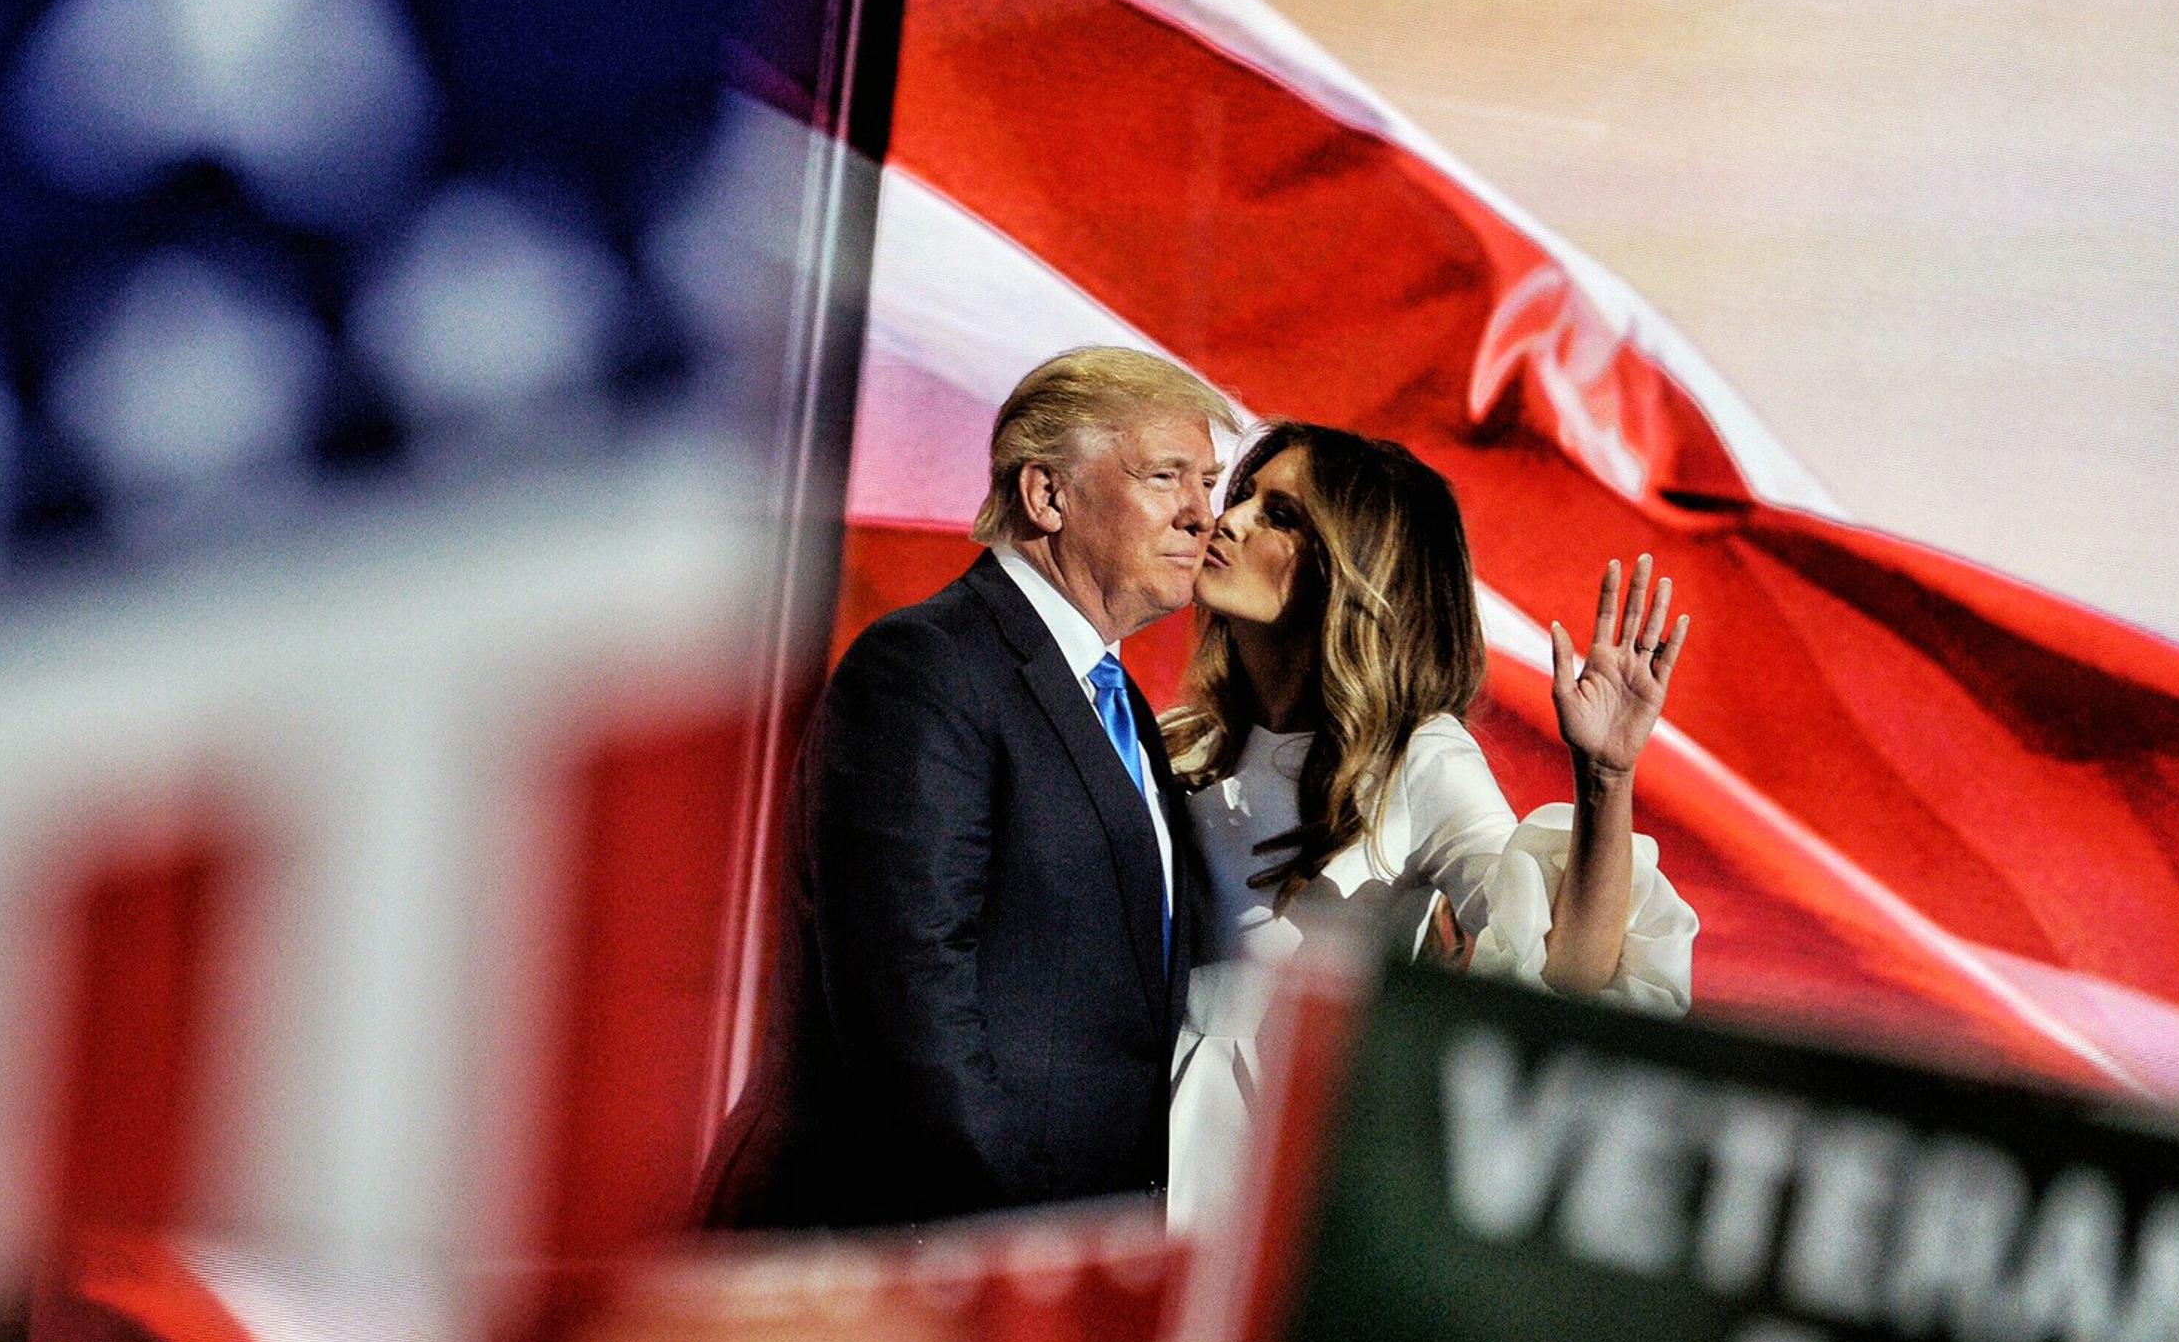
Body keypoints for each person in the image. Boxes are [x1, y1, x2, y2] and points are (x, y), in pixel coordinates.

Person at [718, 347, 1238, 1229]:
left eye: (1210, 482)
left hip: (1049, 1254)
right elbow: (911, 1002)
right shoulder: (927, 667)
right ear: (1047, 496)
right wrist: (1018, 1235)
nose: (1202, 515)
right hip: (909, 1249)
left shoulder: (1124, 712)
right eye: (1166, 476)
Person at [1163, 423, 1695, 1225]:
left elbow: (1569, 975)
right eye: (1242, 496)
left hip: (1285, 1181)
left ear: (1352, 568)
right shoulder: (1178, 742)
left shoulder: (1419, 759)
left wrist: (1606, 777)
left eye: (1280, 515)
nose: (1229, 520)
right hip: (1127, 1148)